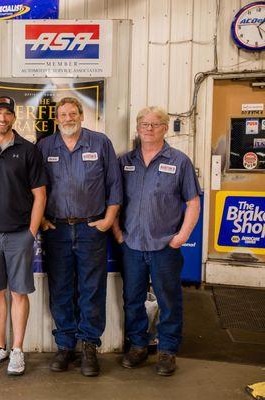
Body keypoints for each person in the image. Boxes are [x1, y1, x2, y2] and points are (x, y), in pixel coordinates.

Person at [37, 96, 122, 377]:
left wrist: (109, 219)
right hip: (57, 230)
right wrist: (43, 219)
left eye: (73, 113)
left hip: (90, 229)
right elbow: (35, 187)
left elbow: (114, 184)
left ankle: (88, 346)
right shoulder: (45, 146)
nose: (68, 118)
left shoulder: (100, 143)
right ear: (56, 118)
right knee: (61, 288)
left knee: (91, 288)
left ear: (82, 116)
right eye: (63, 114)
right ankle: (65, 346)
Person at [112, 106, 200, 376]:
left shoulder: (179, 161)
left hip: (164, 247)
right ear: (137, 128)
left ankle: (167, 350)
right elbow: (113, 200)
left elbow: (193, 202)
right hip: (132, 246)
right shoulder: (125, 161)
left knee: (169, 299)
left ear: (165, 128)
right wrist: (118, 233)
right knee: (133, 298)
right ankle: (138, 345)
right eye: (144, 124)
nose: (148, 128)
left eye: (155, 124)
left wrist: (182, 236)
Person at [0, 96, 47, 376]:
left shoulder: (28, 150)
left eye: (7, 114)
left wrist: (31, 232)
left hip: (19, 234)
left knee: (18, 292)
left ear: (14, 118)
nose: (2, 118)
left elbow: (40, 195)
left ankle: (17, 350)